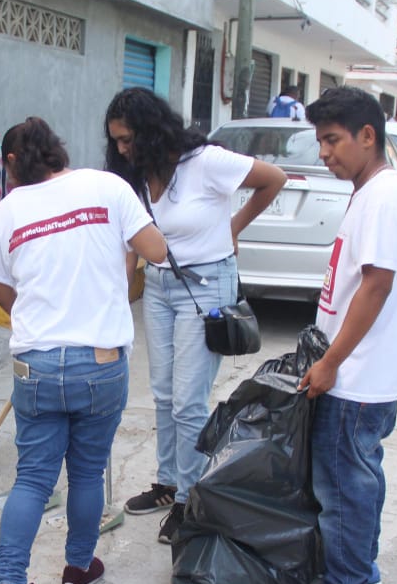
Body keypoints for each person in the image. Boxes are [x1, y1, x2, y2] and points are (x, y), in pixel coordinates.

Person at [0, 117, 168, 584]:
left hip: (35, 364)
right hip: (100, 364)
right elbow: (157, 251)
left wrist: (43, 310)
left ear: (13, 163)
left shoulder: (7, 211)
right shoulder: (108, 187)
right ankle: (78, 568)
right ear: (60, 152)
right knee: (86, 472)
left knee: (33, 478)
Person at [104, 87, 286, 543]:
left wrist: (233, 227)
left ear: (150, 130)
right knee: (163, 394)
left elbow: (274, 178)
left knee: (188, 401)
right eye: (117, 142)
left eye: (128, 139)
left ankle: (191, 500)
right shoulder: (140, 174)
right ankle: (168, 484)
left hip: (205, 287)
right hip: (161, 287)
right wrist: (119, 293)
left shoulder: (206, 161)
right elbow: (133, 239)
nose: (122, 149)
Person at [280, 86, 397, 584]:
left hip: (359, 375)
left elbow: (376, 286)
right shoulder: (373, 190)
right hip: (368, 369)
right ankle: (360, 568)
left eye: (333, 140)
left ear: (368, 136)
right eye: (319, 142)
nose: (324, 153)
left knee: (342, 485)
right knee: (361, 475)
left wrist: (332, 362)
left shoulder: (384, 196)